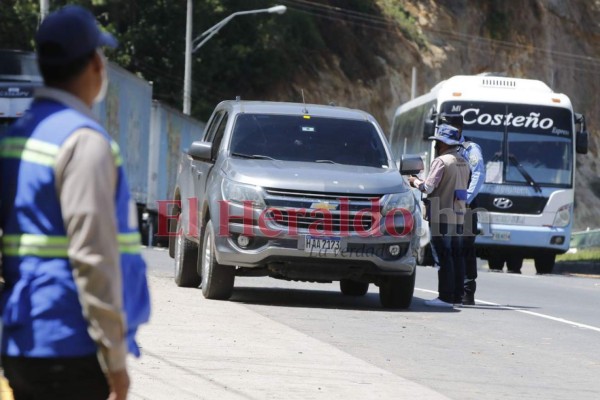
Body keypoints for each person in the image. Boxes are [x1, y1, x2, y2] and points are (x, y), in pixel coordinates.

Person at [0, 5, 150, 400]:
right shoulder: (84, 142)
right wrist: (115, 360)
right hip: (71, 344)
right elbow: (93, 256)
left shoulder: (17, 136)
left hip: (24, 339)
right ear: (92, 65)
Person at [409, 124, 470, 308]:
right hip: (459, 215)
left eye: (438, 142)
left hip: (441, 214)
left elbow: (428, 187)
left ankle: (445, 296)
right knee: (456, 256)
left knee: (443, 257)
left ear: (443, 143)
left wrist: (415, 181)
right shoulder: (464, 161)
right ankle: (458, 295)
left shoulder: (442, 161)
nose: (436, 146)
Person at [440, 113, 485, 304]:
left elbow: (479, 173)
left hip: (465, 205)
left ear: (457, 129)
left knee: (465, 248)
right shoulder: (446, 148)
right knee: (449, 248)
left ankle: (467, 291)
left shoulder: (470, 149)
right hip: (447, 204)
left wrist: (466, 199)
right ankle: (452, 291)